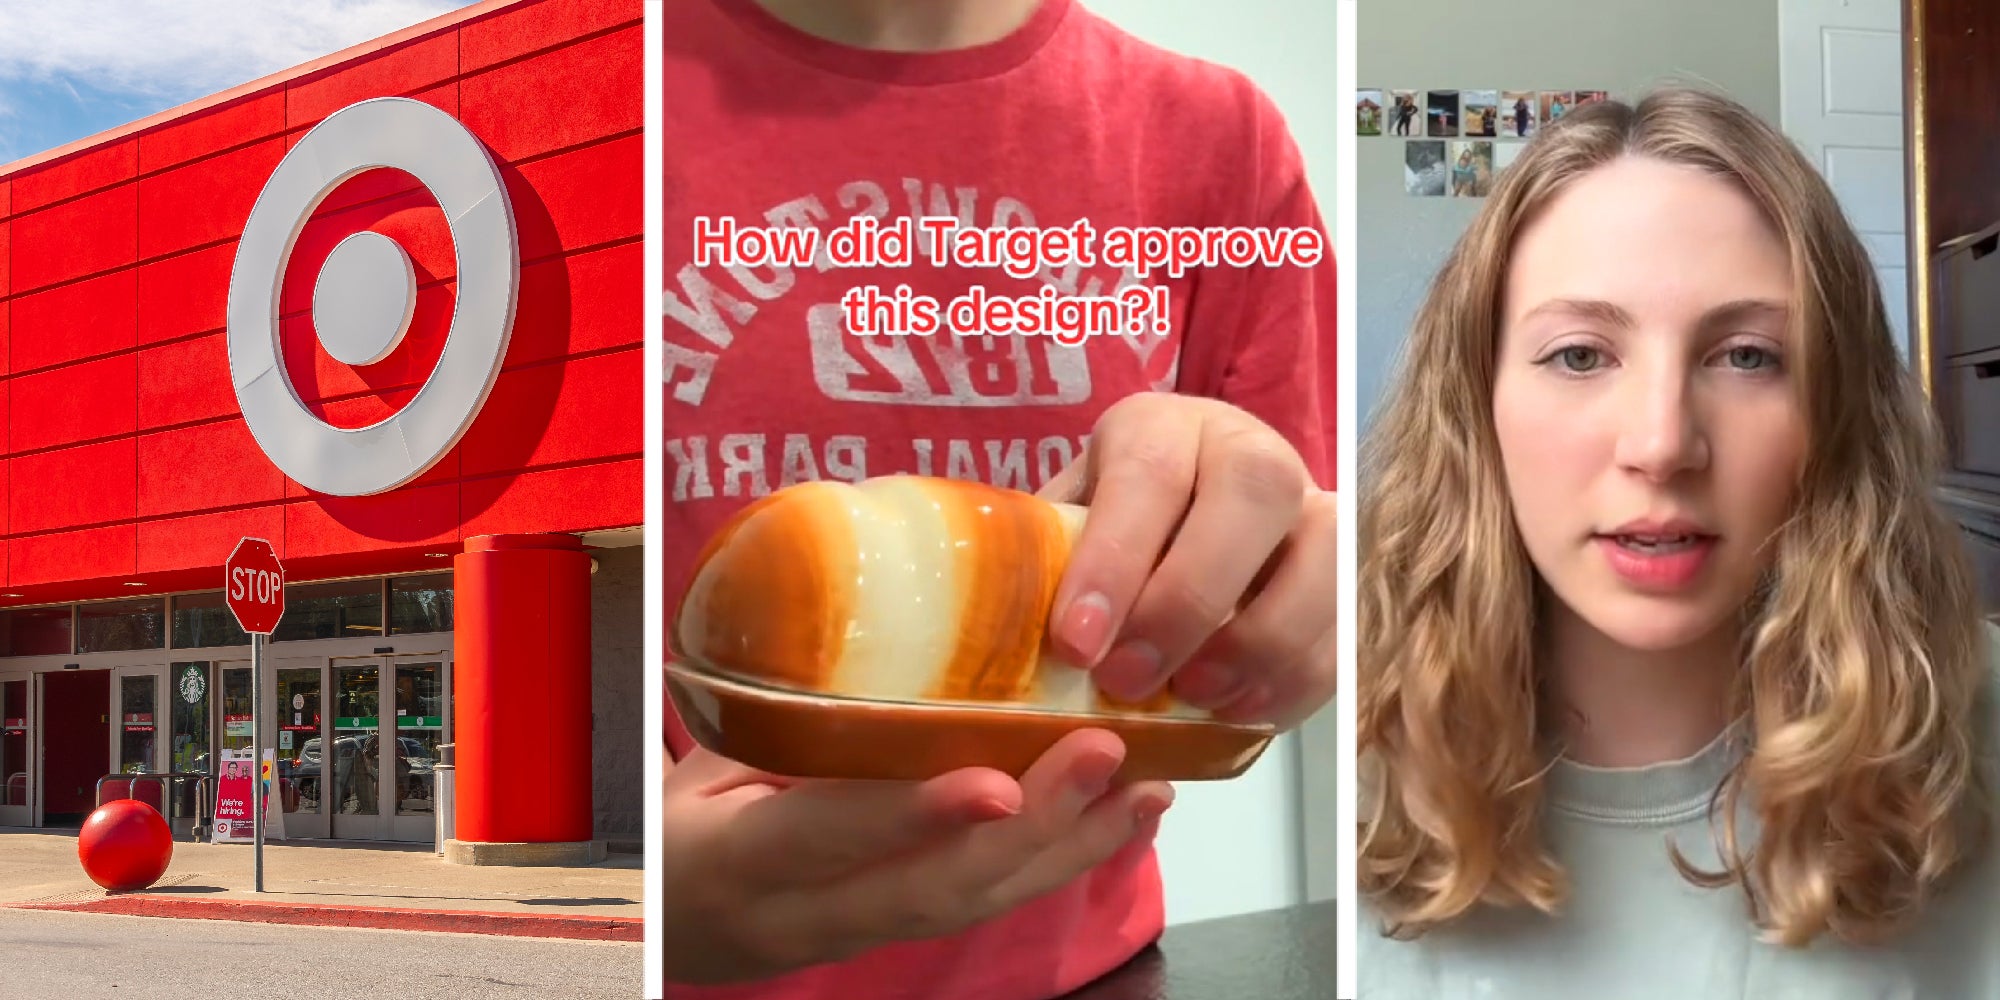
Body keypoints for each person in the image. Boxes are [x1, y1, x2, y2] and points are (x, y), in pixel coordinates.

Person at [661, 1, 1339, 997]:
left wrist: (1297, 602)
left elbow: (1304, 595)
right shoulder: (626, 92)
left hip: (1095, 970)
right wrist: (650, 919)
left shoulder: (1217, 138)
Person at [1355, 87, 2000, 997]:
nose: (1661, 444)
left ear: (1836, 412)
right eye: (1580, 355)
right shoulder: (1357, 757)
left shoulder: (1980, 731)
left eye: (1747, 357)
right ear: (1476, 402)